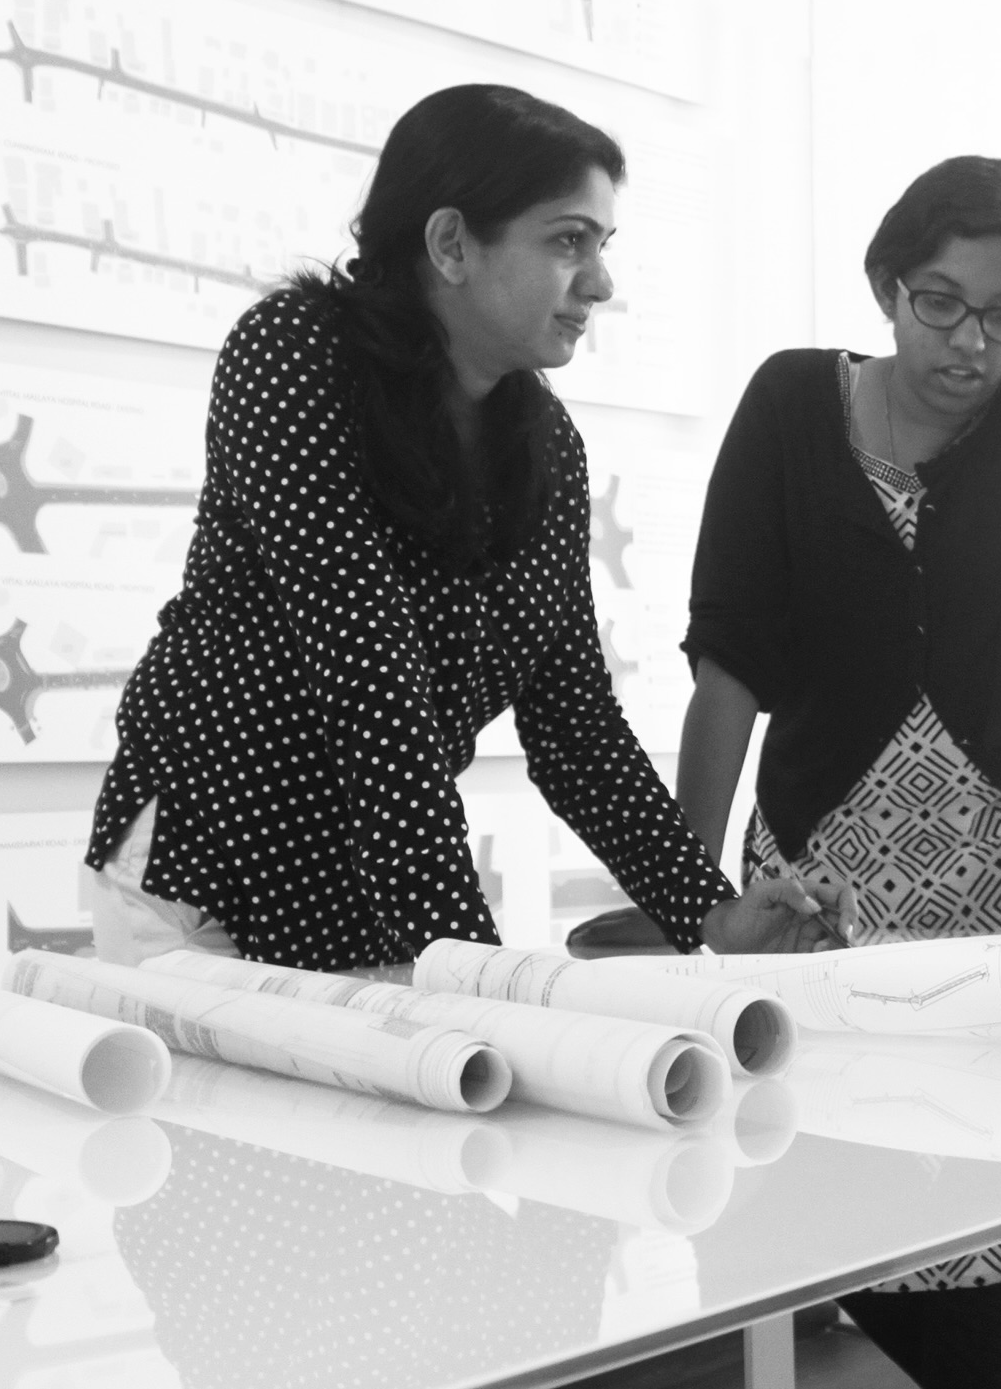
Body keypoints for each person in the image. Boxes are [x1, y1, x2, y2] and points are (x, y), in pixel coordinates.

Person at [84, 84, 851, 972]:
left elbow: (575, 726)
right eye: (567, 240)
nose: (600, 283)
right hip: (210, 877)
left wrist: (710, 912)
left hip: (369, 897)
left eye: (601, 246)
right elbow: (367, 675)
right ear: (450, 243)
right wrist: (470, 965)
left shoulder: (546, 444)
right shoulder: (295, 352)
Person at [677, 154, 1001, 1389]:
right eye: (940, 303)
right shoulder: (792, 403)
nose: (972, 342)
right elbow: (730, 658)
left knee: (983, 1205)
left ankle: (988, 1373)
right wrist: (688, 906)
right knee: (808, 1162)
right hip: (831, 854)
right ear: (887, 289)